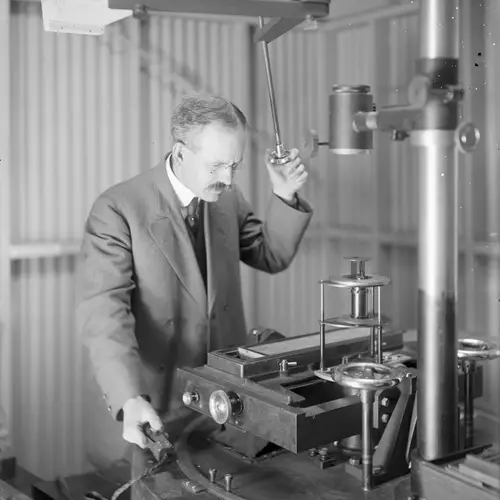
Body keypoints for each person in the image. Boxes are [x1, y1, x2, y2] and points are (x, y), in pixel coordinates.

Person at [75, 94, 313, 463]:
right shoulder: (118, 209)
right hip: (152, 407)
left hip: (220, 406)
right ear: (181, 153)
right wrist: (128, 398)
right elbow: (104, 313)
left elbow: (270, 255)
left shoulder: (226, 198)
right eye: (217, 165)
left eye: (235, 165)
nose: (228, 179)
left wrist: (283, 195)